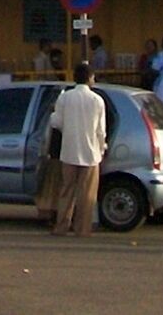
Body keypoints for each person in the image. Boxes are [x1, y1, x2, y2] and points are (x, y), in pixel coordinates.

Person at [48, 63, 108, 236]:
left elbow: (56, 123)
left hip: (69, 151)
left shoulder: (65, 98)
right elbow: (101, 131)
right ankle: (82, 229)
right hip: (91, 154)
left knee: (66, 191)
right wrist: (101, 150)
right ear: (90, 78)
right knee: (87, 195)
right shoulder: (97, 100)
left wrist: (53, 113)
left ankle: (61, 226)